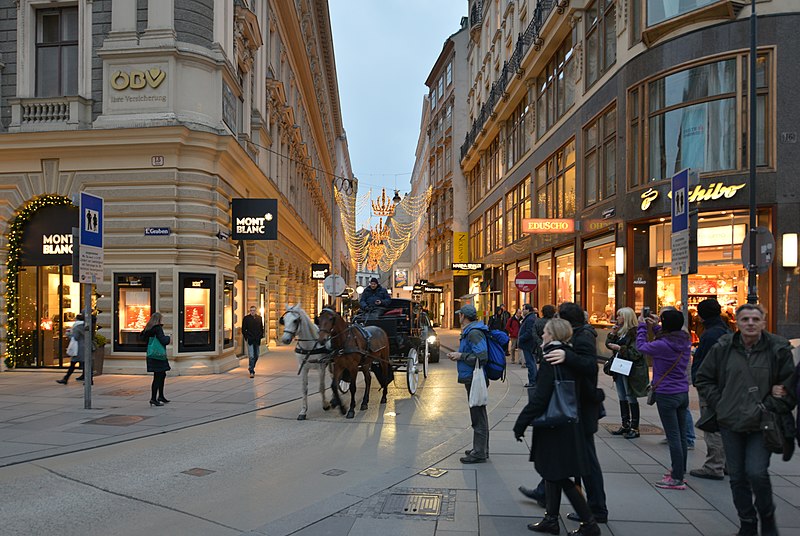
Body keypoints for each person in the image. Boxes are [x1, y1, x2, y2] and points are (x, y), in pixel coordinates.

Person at [696, 304, 796, 536]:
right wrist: (720, 402)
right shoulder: (724, 347)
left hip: (763, 423)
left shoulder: (777, 348)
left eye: (755, 319)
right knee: (738, 477)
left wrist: (774, 404)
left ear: (763, 322)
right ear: (737, 323)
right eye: (745, 319)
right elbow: (704, 377)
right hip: (730, 421)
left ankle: (767, 517)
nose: (750, 323)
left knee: (756, 472)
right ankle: (747, 522)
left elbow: (790, 386)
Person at [520, 302, 609, 523]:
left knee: (585, 461)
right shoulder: (576, 336)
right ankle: (548, 495)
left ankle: (596, 510)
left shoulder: (583, 337)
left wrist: (567, 356)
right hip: (574, 406)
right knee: (568, 459)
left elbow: (590, 367)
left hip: (580, 408)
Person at [637, 307, 692, 490]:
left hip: (667, 393)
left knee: (674, 436)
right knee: (682, 435)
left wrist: (642, 327)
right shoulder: (684, 340)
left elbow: (642, 347)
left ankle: (676, 478)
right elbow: (667, 338)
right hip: (682, 392)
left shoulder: (662, 345)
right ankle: (680, 470)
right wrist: (655, 327)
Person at [689, 298, 731, 481]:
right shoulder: (725, 330)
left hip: (712, 385)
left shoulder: (711, 334)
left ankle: (714, 466)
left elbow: (707, 360)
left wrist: (700, 379)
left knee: (711, 423)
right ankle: (727, 463)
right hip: (723, 383)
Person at [447, 304, 490, 464]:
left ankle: (479, 452)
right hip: (473, 377)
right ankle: (481, 449)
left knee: (477, 415)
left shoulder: (473, 333)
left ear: (463, 316)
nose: (459, 317)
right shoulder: (472, 331)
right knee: (480, 413)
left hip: (475, 378)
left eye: (460, 315)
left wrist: (461, 356)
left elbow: (482, 356)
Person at [606, 307, 648, 439]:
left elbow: (636, 353)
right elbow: (609, 344)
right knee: (622, 395)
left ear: (627, 318)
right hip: (620, 367)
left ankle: (635, 427)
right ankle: (625, 424)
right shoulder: (621, 332)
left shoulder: (634, 333)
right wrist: (612, 332)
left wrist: (620, 348)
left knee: (630, 395)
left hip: (630, 368)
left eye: (620, 316)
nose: (617, 318)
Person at [142, 312, 171, 406]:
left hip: (151, 354)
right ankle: (154, 398)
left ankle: (160, 396)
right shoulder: (157, 328)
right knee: (158, 376)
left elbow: (142, 338)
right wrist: (168, 338)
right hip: (159, 356)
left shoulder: (147, 329)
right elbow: (163, 340)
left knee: (161, 375)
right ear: (158, 320)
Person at [56, 314, 86, 385]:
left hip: (78, 348)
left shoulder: (76, 327)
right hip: (84, 347)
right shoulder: (85, 326)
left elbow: (75, 337)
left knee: (73, 364)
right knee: (85, 364)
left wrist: (68, 334)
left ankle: (65, 379)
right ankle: (87, 379)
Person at [517, 304, 541, 385]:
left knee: (530, 363)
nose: (522, 311)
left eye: (523, 309)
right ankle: (533, 380)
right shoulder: (529, 318)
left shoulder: (530, 319)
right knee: (531, 362)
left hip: (528, 344)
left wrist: (521, 338)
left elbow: (529, 332)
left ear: (528, 310)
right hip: (528, 344)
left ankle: (532, 381)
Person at [242, 305, 265, 378]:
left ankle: (251, 366)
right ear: (250, 311)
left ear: (256, 311)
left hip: (257, 339)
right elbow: (243, 329)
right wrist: (247, 337)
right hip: (250, 339)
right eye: (251, 310)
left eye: (253, 310)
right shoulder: (246, 318)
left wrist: (260, 336)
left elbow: (261, 328)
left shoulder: (259, 318)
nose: (252, 312)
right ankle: (251, 371)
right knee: (251, 356)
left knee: (257, 355)